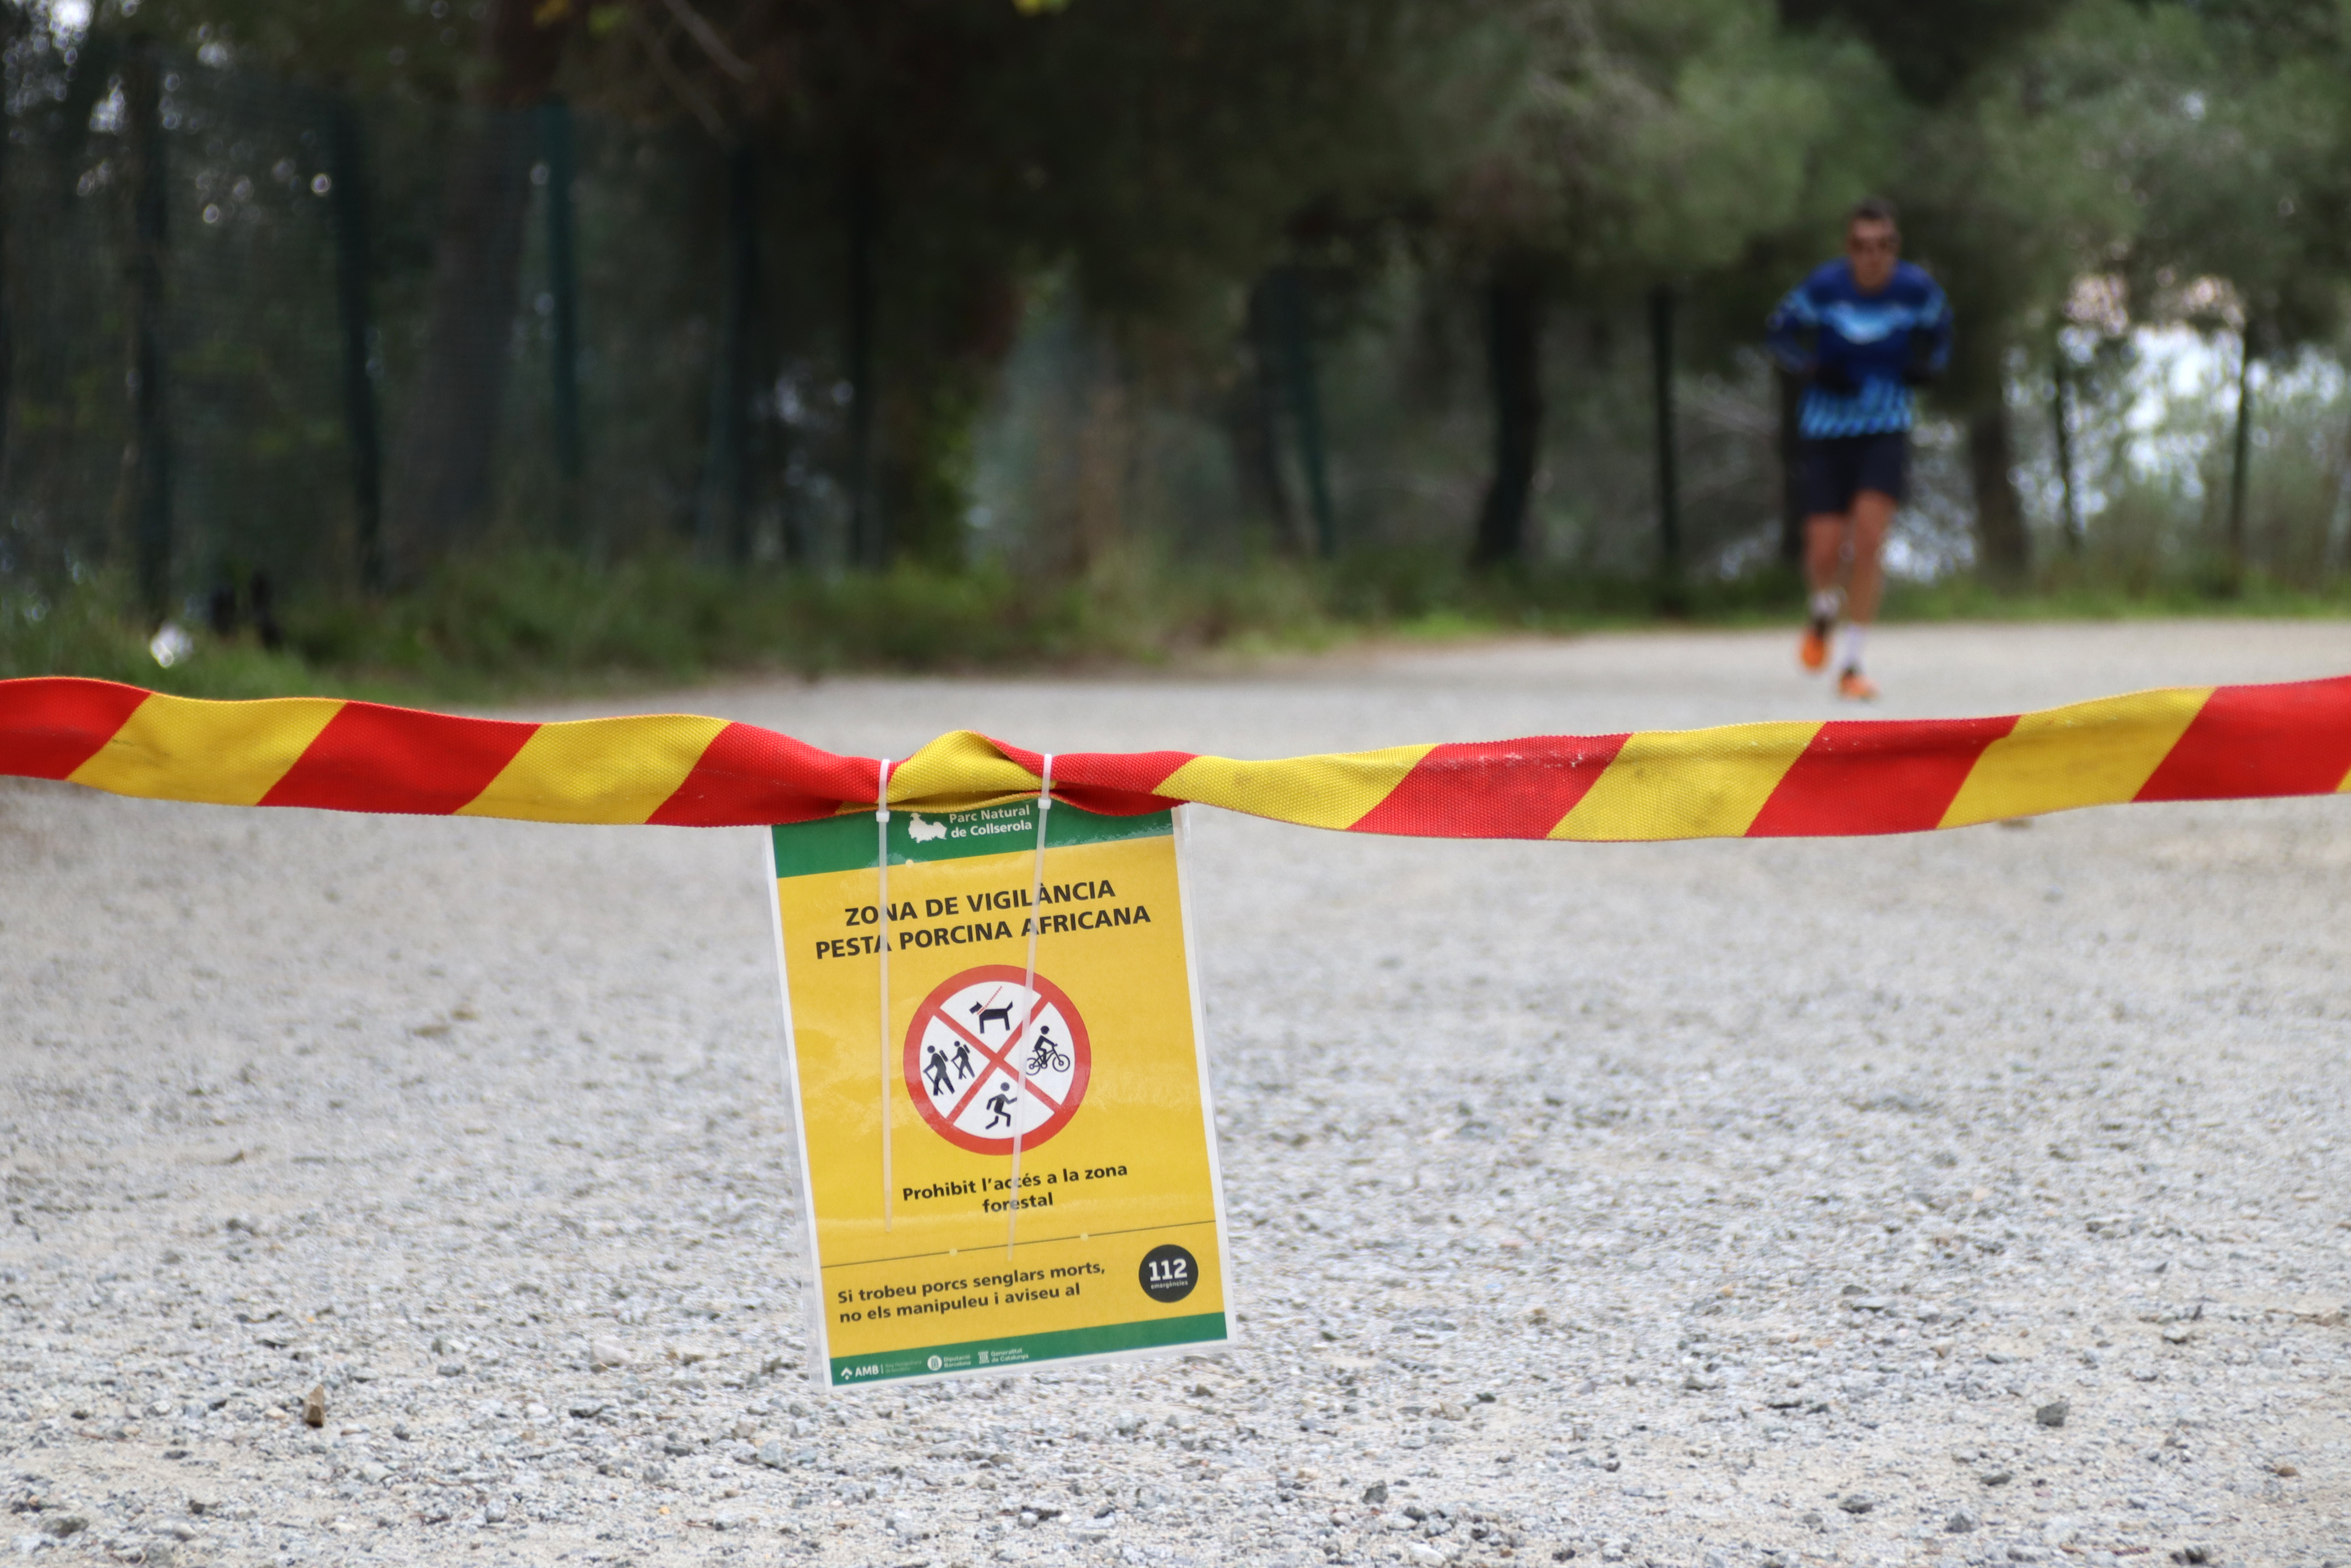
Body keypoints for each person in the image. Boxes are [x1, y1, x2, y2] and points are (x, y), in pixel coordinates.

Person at [1767, 196, 1952, 700]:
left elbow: (1942, 335)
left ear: (1896, 246)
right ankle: (1823, 608)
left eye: (1883, 245)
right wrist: (1811, 368)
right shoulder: (1824, 287)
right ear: (1848, 248)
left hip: (1885, 427)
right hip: (1826, 431)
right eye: (1861, 246)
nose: (1872, 256)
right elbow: (1779, 333)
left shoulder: (1916, 290)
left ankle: (1853, 662)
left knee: (1869, 540)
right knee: (1824, 550)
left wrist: (1929, 368)